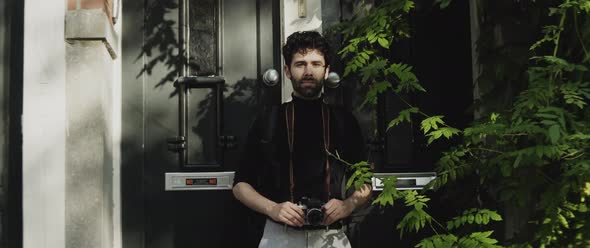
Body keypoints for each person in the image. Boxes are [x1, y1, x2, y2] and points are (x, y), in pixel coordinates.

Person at [232, 31, 371, 248]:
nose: (308, 71)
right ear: (287, 71)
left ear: (326, 71)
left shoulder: (344, 120)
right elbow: (240, 185)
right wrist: (273, 209)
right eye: (300, 64)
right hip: (279, 235)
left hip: (331, 237)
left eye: (316, 64)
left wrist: (347, 206)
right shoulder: (268, 120)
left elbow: (365, 181)